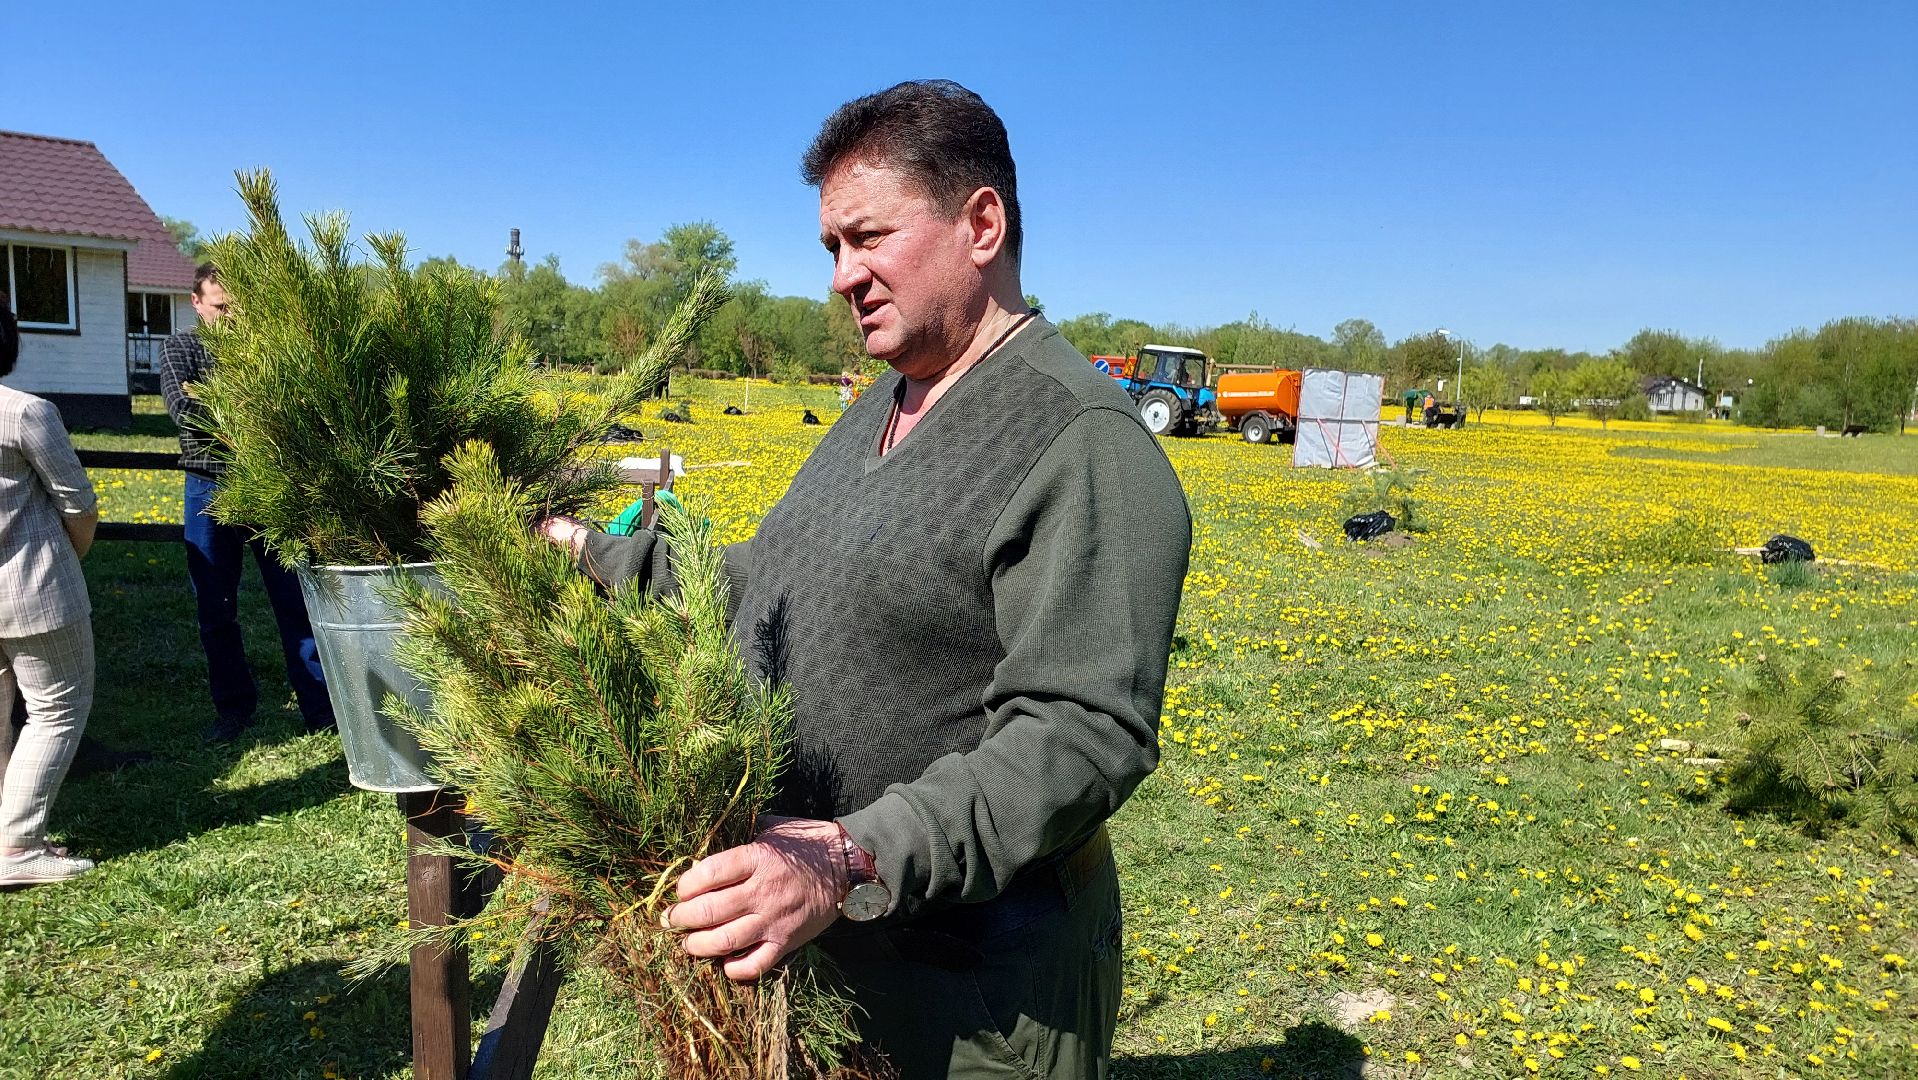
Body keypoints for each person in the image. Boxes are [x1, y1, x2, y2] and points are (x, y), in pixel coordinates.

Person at [541, 80, 1190, 1078]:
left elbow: (1079, 737)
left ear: (981, 223)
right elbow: (771, 580)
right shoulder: (883, 401)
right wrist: (588, 548)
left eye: (867, 238)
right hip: (837, 949)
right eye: (830, 249)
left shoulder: (1082, 443)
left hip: (975, 990)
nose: (843, 277)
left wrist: (847, 858)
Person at [159, 265, 334, 744]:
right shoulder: (181, 348)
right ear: (196, 302)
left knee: (292, 600)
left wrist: (216, 403)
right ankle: (233, 708)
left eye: (235, 306)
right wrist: (243, 420)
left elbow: (284, 410)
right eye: (219, 306)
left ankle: (320, 709)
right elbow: (182, 410)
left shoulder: (259, 352)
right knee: (215, 605)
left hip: (264, 486)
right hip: (208, 487)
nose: (229, 316)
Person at [0, 290, 101, 885]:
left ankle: (5, 830)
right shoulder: (25, 413)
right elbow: (79, 505)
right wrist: (74, 558)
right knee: (58, 710)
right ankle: (17, 846)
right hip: (36, 590)